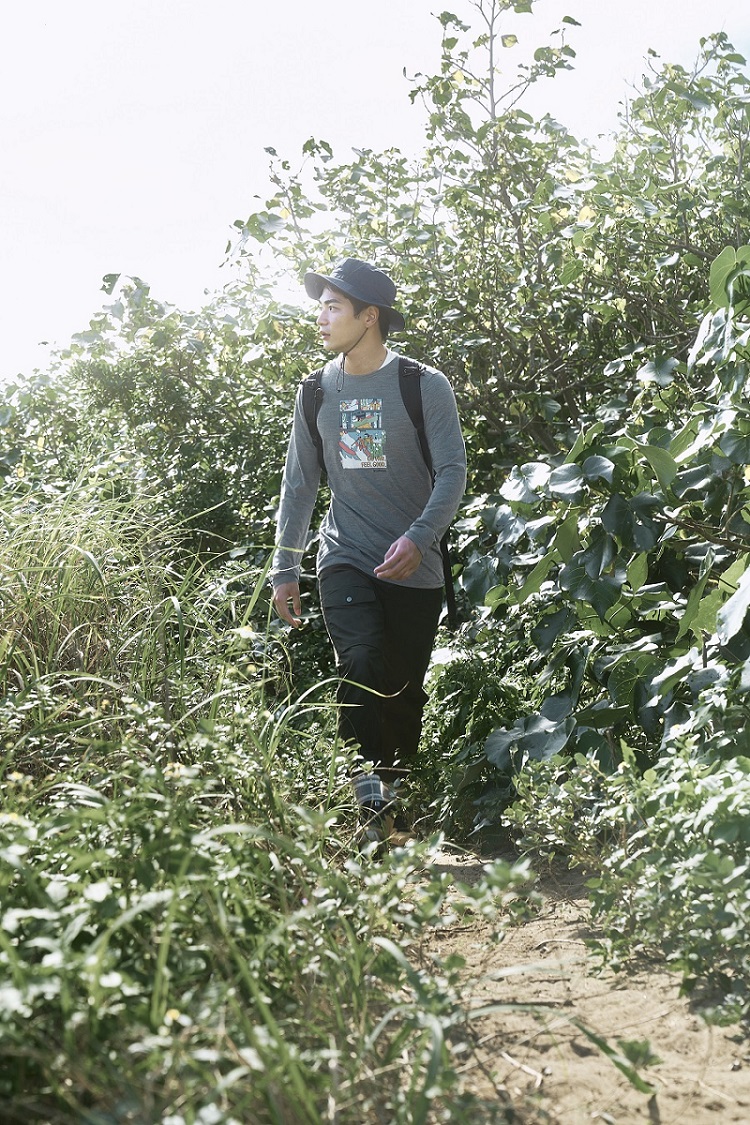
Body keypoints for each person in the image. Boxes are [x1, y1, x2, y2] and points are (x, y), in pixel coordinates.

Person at [272, 258, 466, 844]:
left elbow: (453, 472)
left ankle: (394, 796)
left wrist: (419, 537)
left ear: (369, 317)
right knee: (359, 662)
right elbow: (300, 483)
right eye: (321, 306)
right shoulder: (315, 391)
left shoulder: (422, 385)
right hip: (345, 554)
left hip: (415, 564)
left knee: (403, 688)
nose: (321, 317)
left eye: (334, 306)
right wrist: (285, 565)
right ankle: (368, 806)